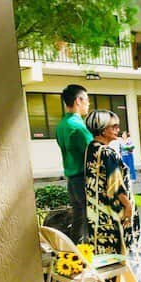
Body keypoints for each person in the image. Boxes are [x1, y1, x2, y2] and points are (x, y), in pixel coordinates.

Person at [84, 110, 141, 282]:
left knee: (106, 250)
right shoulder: (108, 153)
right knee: (125, 247)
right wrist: (128, 207)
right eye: (113, 126)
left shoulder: (91, 148)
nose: (118, 129)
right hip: (114, 211)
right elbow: (114, 186)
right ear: (101, 130)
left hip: (97, 212)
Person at [55, 84, 91, 243]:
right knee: (89, 220)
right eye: (87, 100)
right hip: (83, 179)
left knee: (78, 218)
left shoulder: (61, 125)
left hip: (71, 179)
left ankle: (74, 254)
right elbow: (93, 152)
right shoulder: (78, 126)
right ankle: (88, 256)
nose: (88, 104)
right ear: (78, 101)